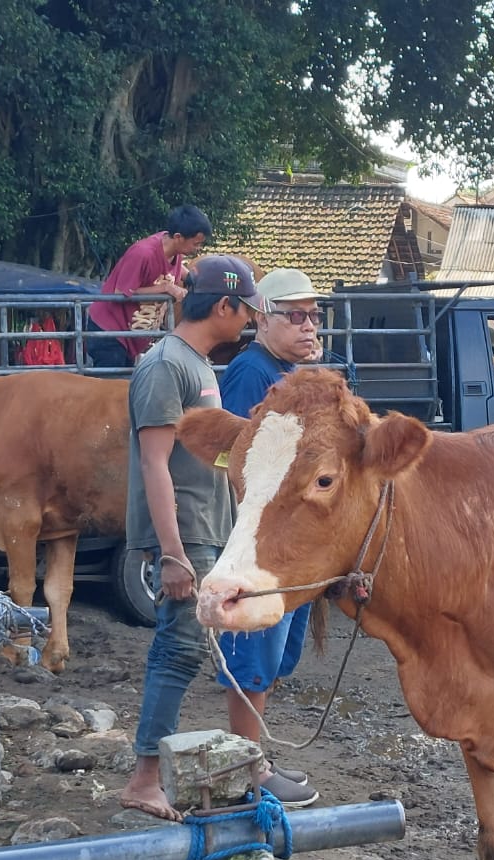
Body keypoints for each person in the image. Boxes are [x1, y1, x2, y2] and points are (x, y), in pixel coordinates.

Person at [118, 255, 265, 821]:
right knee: (177, 649)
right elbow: (155, 464)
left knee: (187, 649)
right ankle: (144, 777)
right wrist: (173, 554)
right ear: (223, 306)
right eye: (245, 311)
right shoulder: (164, 367)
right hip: (188, 536)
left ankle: (152, 771)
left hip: (208, 528)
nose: (248, 322)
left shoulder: (197, 364)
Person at [213, 268, 326, 807]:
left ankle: (255, 757)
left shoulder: (287, 372)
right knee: (253, 652)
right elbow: (240, 463)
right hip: (257, 543)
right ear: (262, 319)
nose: (308, 328)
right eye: (295, 316)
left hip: (288, 545)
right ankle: (245, 769)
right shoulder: (251, 373)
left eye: (314, 316)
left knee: (275, 656)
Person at [86, 206, 212, 369]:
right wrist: (166, 288)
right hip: (110, 332)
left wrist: (190, 277)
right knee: (110, 389)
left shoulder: (174, 251)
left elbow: (170, 267)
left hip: (128, 336)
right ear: (179, 237)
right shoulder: (142, 253)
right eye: (196, 244)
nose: (198, 249)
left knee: (126, 388)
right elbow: (120, 293)